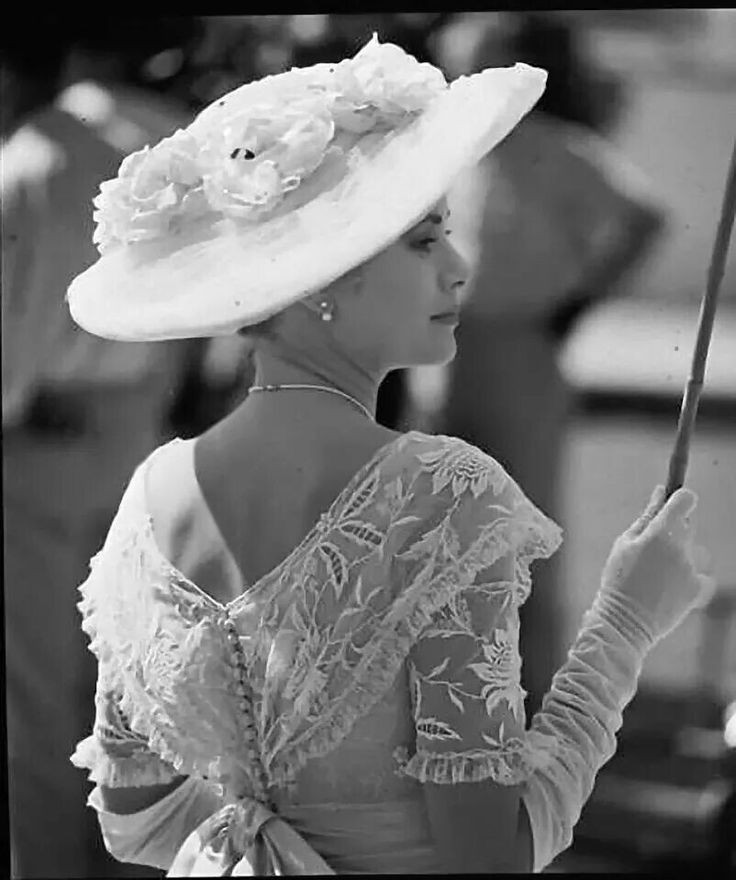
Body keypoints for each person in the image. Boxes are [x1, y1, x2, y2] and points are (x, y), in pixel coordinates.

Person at [66, 36, 712, 874]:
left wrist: (261, 840)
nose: (459, 267)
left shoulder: (152, 494)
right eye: (424, 240)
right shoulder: (444, 496)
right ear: (323, 277)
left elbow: (133, 815)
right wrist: (624, 624)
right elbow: (491, 857)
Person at [1, 21, 195, 878]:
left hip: (42, 437)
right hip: (140, 425)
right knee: (129, 682)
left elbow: (11, 344)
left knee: (34, 695)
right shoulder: (169, 141)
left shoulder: (38, 156)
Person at [437, 12, 667, 715]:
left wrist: (578, 302)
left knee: (524, 535)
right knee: (443, 535)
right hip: (450, 352)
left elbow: (644, 218)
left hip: (524, 351)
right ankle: (451, 701)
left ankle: (533, 705)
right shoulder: (455, 147)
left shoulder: (557, 147)